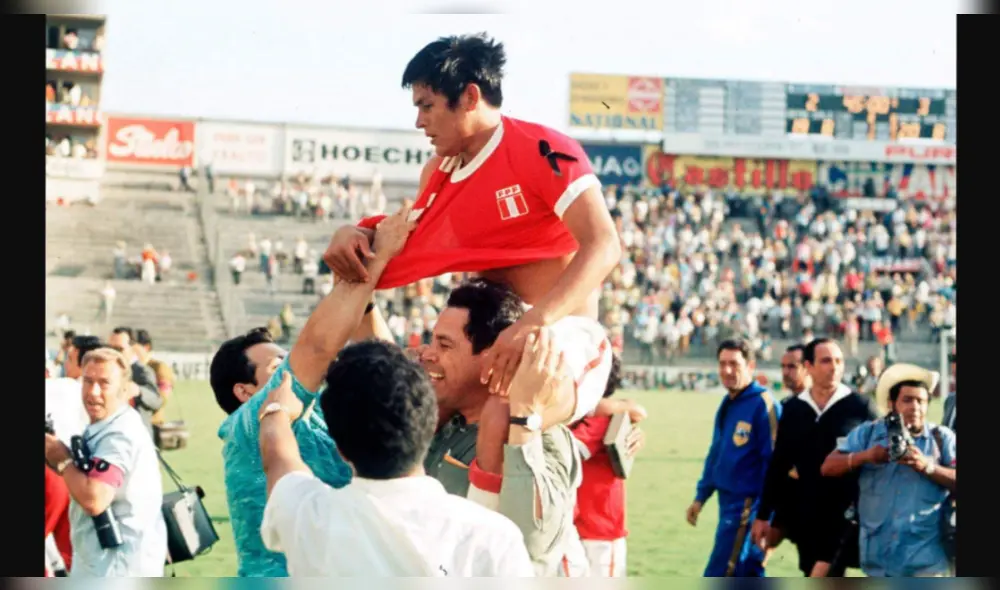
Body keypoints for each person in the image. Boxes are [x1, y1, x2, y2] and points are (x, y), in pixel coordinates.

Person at [323, 32, 619, 434]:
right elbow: (405, 238)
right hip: (485, 342)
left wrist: (533, 322)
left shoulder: (544, 149)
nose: (418, 121)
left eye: (427, 106)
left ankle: (599, 411)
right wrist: (353, 232)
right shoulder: (439, 170)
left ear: (469, 97)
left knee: (504, 413)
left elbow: (604, 245)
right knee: (392, 408)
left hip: (557, 333)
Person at [209, 205, 415, 577]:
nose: (291, 370)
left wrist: (362, 294)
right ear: (243, 391)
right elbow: (316, 351)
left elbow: (393, 377)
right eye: (276, 369)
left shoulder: (318, 414)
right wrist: (376, 258)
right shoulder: (246, 428)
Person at [258, 340, 534, 576]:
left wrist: (276, 411)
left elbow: (279, 459)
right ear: (428, 424)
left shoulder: (312, 518)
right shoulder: (491, 537)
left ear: (340, 448)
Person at [752, 338, 879, 577]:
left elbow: (880, 457)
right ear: (808, 366)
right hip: (807, 513)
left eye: (839, 361)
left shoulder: (861, 406)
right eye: (826, 361)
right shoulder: (793, 409)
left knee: (822, 573)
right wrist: (762, 516)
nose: (835, 367)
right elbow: (779, 464)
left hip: (848, 514)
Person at [820, 363, 956, 577]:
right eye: (907, 400)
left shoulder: (942, 438)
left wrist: (927, 466)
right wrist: (866, 456)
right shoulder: (867, 434)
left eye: (921, 401)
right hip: (878, 563)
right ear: (892, 404)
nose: (915, 407)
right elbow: (828, 466)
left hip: (925, 563)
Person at [43, 347, 167, 576]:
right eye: (88, 381)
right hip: (106, 560)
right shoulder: (108, 423)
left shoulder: (120, 433)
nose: (93, 392)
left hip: (118, 566)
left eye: (104, 383)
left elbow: (95, 499)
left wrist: (63, 461)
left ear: (124, 389)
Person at [685, 339, 780, 577]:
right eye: (722, 364)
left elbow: (775, 463)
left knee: (720, 573)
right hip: (727, 504)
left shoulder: (763, 405)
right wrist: (701, 496)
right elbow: (716, 453)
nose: (727, 371)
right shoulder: (728, 403)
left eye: (734, 364)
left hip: (748, 508)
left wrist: (765, 516)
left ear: (751, 366)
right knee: (748, 572)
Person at [569, 355, 646, 577]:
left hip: (598, 532)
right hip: (592, 527)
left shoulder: (601, 420)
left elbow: (569, 451)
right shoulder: (609, 414)